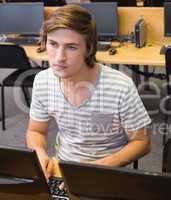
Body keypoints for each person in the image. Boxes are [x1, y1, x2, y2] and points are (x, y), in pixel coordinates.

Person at [26, 5, 151, 180]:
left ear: (89, 48)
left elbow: (142, 142)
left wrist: (100, 167)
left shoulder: (120, 86)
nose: (59, 57)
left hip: (107, 171)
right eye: (53, 44)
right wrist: (39, 153)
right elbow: (36, 132)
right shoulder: (42, 81)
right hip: (62, 170)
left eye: (71, 47)